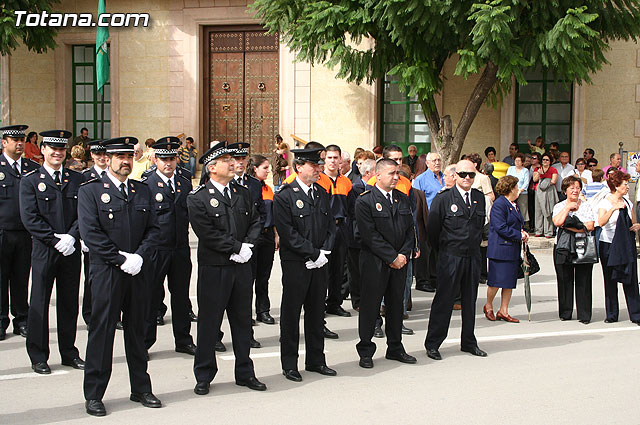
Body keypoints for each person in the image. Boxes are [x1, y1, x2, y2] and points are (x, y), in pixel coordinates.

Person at [79, 136, 162, 416]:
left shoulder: (142, 190)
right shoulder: (90, 192)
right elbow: (91, 233)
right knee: (102, 333)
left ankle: (141, 388)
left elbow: (154, 228)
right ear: (108, 159)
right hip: (107, 273)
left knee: (137, 332)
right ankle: (94, 394)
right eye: (120, 157)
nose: (125, 161)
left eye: (129, 156)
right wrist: (120, 259)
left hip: (138, 271)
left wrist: (139, 256)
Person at [187, 141, 266, 395]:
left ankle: (245, 372)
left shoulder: (242, 193)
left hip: (241, 267)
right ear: (212, 167)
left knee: (243, 323)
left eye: (233, 160)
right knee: (209, 324)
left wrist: (249, 247)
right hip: (216, 269)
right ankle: (204, 375)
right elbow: (207, 234)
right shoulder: (198, 198)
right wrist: (236, 247)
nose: (234, 164)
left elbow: (256, 221)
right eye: (227, 161)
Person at [20, 130, 84, 375]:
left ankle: (68, 352)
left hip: (70, 250)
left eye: (61, 149)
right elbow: (30, 218)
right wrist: (54, 239)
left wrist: (72, 236)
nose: (57, 153)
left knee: (69, 303)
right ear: (43, 150)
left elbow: (83, 215)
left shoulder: (76, 179)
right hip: (45, 250)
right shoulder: (30, 181)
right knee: (39, 302)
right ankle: (38, 355)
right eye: (52, 148)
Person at [274, 147, 337, 382]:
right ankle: (290, 364)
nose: (318, 169)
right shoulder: (285, 196)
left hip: (319, 262)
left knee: (316, 312)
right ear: (299, 167)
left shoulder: (321, 193)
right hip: (297, 264)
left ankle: (316, 360)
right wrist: (312, 253)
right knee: (291, 315)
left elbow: (331, 226)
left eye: (319, 165)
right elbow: (288, 233)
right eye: (314, 166)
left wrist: (324, 253)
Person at [355, 159, 417, 369]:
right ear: (378, 175)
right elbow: (369, 236)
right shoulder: (365, 201)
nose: (396, 177)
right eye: (391, 173)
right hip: (375, 262)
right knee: (370, 307)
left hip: (400, 262)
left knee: (395, 307)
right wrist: (392, 257)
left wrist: (403, 255)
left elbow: (410, 230)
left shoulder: (402, 199)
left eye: (397, 173)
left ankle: (395, 347)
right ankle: (365, 350)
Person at [424, 159, 487, 361]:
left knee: (469, 301)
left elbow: (479, 227)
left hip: (473, 257)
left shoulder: (478, 197)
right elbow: (432, 230)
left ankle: (468, 341)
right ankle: (433, 343)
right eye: (463, 175)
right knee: (444, 300)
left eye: (471, 175)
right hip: (450, 256)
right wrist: (443, 251)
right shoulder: (443, 199)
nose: (467, 178)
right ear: (454, 175)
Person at [141, 137, 195, 357]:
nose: (168, 163)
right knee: (151, 296)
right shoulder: (146, 184)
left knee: (181, 296)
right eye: (164, 159)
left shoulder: (184, 181)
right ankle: (145, 341)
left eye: (172, 159)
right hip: (157, 249)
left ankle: (183, 339)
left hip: (180, 248)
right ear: (155, 159)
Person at [0, 125, 39, 341]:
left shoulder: (31, 168)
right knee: (0, 277)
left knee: (21, 277)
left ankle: (21, 319)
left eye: (21, 139)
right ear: (4, 143)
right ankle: (0, 320)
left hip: (25, 233)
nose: (19, 143)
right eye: (14, 140)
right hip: (2, 231)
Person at [596, 170, 640, 325]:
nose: (628, 187)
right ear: (616, 185)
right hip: (608, 244)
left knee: (631, 279)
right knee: (610, 280)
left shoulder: (628, 202)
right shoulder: (605, 202)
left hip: (626, 245)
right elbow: (601, 222)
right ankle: (612, 314)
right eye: (625, 184)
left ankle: (636, 314)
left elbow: (633, 220)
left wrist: (636, 226)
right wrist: (613, 209)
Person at [484, 176, 528, 323]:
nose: (518, 190)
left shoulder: (513, 204)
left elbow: (517, 223)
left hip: (512, 248)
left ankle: (504, 310)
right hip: (500, 248)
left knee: (509, 281)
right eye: (516, 187)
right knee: (496, 280)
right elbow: (500, 227)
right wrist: (519, 235)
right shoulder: (499, 204)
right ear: (510, 188)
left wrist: (523, 232)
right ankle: (488, 305)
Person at [552, 175, 596, 324]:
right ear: (565, 190)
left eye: (578, 188)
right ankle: (566, 312)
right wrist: (568, 208)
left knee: (583, 280)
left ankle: (584, 314)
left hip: (582, 245)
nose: (575, 191)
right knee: (564, 279)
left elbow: (589, 226)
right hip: (563, 246)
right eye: (572, 188)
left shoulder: (586, 205)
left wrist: (569, 226)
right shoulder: (559, 206)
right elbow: (558, 222)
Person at [80, 140, 110, 329]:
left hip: (112, 235)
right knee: (91, 277)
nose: (100, 157)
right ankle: (90, 314)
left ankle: (113, 316)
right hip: (92, 236)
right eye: (97, 154)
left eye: (103, 154)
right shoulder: (84, 177)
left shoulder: (113, 175)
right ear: (91, 155)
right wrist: (82, 236)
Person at [323, 144, 354, 318]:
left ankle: (334, 303)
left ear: (341, 159)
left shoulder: (346, 182)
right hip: (325, 228)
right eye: (330, 157)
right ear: (324, 159)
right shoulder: (319, 179)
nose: (333, 161)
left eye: (336, 157)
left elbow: (351, 208)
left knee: (339, 268)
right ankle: (319, 303)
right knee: (323, 268)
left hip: (341, 227)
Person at [247, 154, 278, 326]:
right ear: (255, 168)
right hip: (253, 236)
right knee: (249, 276)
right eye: (265, 168)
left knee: (263, 276)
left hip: (267, 235)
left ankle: (263, 310)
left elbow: (272, 214)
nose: (268, 171)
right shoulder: (248, 188)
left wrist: (276, 234)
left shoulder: (268, 189)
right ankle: (246, 311)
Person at [412, 152, 444, 292]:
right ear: (427, 163)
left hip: (443, 220)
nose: (437, 162)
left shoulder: (444, 177)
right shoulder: (421, 179)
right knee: (425, 251)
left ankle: (434, 277)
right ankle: (423, 280)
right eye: (434, 160)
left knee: (437, 250)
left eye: (439, 160)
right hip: (427, 219)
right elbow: (417, 200)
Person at [348, 158, 376, 311]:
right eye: (375, 171)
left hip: (369, 236)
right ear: (368, 173)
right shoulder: (356, 188)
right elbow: (354, 213)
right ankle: (358, 300)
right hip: (355, 235)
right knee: (356, 270)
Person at [532, 153, 558, 238]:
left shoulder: (553, 169)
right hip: (539, 192)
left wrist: (545, 183)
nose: (545, 161)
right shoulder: (537, 169)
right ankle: (538, 231)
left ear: (550, 161)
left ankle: (548, 232)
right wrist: (539, 174)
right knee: (538, 211)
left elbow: (553, 181)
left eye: (547, 160)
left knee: (548, 210)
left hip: (549, 191)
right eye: (543, 160)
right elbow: (534, 179)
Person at [507, 153, 531, 229]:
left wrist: (519, 191)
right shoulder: (510, 168)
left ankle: (523, 225)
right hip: (511, 192)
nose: (517, 162)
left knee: (522, 209)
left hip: (522, 192)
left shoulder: (525, 170)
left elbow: (526, 182)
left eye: (519, 161)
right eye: (516, 160)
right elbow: (507, 179)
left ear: (522, 162)